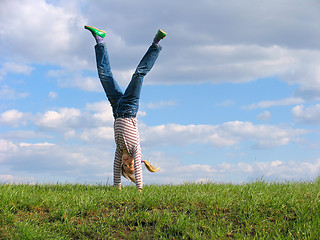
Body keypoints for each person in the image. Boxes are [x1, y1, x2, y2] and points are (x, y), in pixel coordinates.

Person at [84, 25, 166, 192]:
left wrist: (118, 188)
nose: (128, 161)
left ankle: (99, 39)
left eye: (126, 164)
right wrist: (139, 190)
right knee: (138, 74)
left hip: (116, 107)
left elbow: (115, 174)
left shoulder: (118, 151)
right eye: (132, 164)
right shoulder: (135, 148)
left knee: (104, 76)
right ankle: (156, 43)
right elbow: (138, 173)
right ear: (137, 161)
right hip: (129, 107)